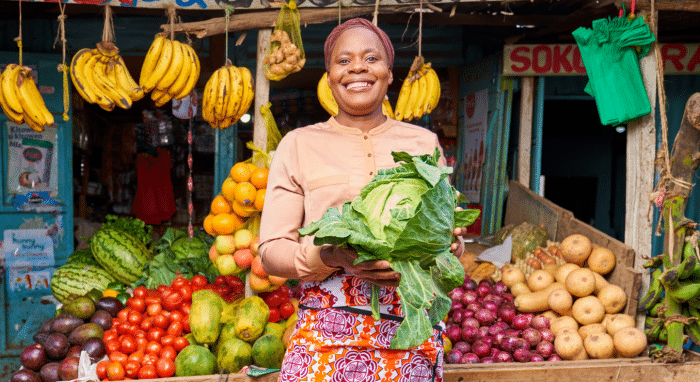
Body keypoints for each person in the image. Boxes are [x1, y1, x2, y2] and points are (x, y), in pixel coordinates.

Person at [259, 18, 467, 382]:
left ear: (389, 74)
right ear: (329, 77)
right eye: (343, 60)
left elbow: (447, 232)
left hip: (410, 331)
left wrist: (448, 243)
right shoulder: (298, 144)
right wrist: (330, 256)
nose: (357, 67)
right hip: (326, 331)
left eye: (371, 58)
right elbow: (271, 250)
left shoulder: (423, 143)